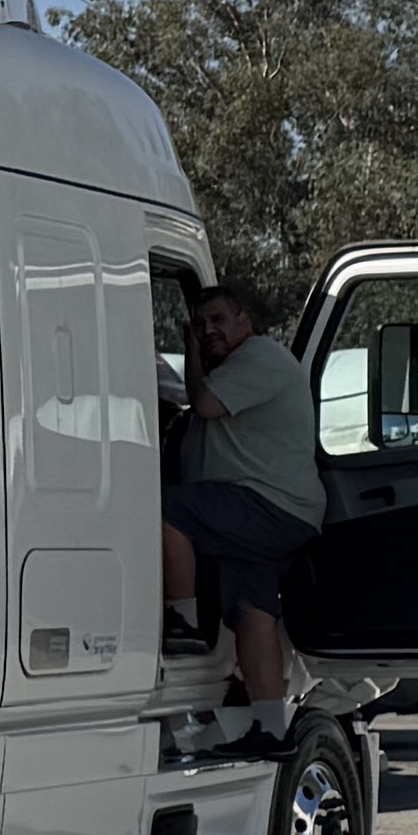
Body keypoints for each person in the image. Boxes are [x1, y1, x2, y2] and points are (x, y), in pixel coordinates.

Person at [159, 280, 323, 718]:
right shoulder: (237, 369)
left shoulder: (260, 356)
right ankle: (269, 726)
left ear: (245, 322)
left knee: (164, 511)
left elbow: (205, 404)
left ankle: (183, 621)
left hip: (266, 505)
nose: (208, 330)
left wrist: (191, 352)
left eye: (217, 320)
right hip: (262, 514)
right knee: (252, 612)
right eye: (199, 324)